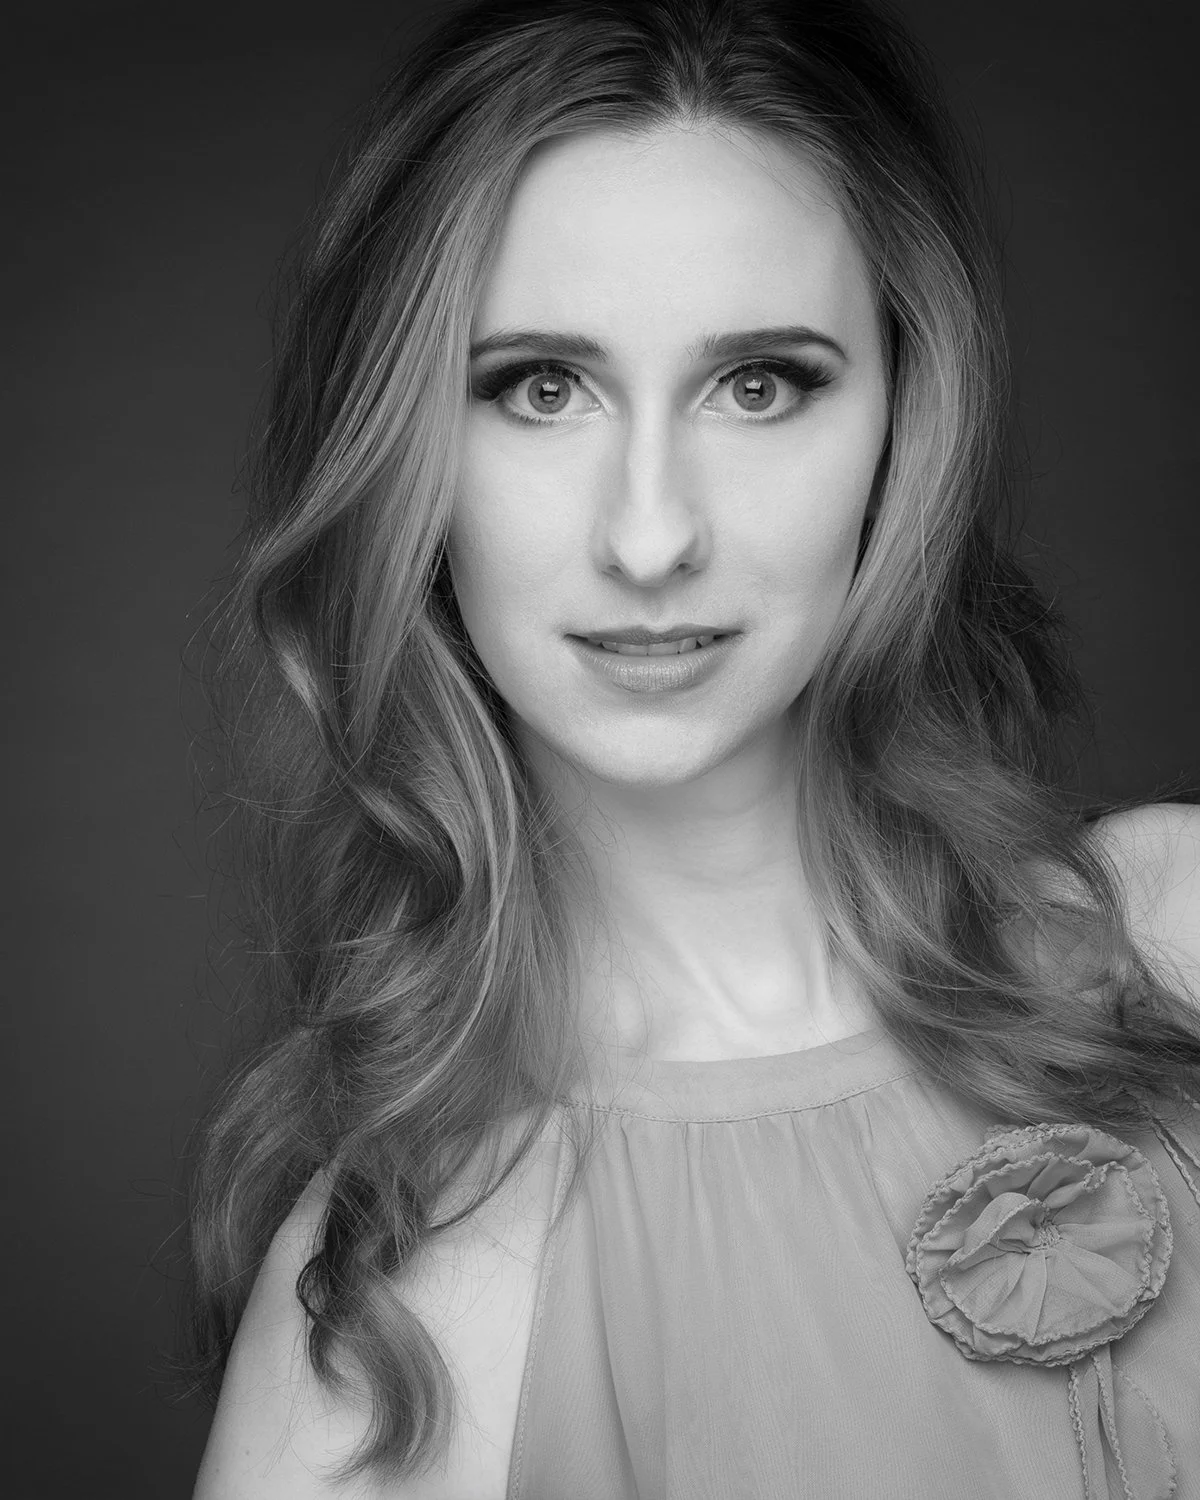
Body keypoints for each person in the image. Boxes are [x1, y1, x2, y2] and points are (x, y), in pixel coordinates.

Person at [186, 1, 1200, 1496]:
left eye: (759, 385)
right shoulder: (389, 1344)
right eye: (540, 387)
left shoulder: (1178, 936)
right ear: (403, 449)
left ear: (904, 418)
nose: (652, 534)